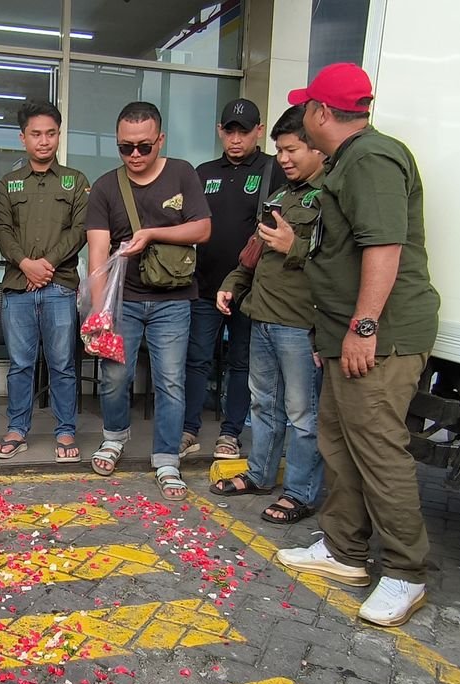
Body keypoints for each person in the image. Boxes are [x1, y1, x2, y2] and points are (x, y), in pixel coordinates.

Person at [273, 63, 441, 627]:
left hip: (382, 339)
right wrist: (336, 330)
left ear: (321, 114)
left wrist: (363, 326)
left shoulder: (370, 159)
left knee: (377, 450)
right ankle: (344, 549)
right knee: (338, 441)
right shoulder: (347, 163)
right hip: (344, 334)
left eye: (305, 111)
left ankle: (405, 572)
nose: (301, 121)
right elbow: (337, 253)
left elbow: (384, 247)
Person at [84, 101, 210, 500]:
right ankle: (114, 437)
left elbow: (203, 228)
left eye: (144, 146)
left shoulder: (182, 173)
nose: (135, 155)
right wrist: (100, 313)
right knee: (114, 377)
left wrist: (153, 233)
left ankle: (167, 458)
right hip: (125, 301)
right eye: (125, 148)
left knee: (170, 381)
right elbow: (98, 255)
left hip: (174, 301)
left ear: (160, 140)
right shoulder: (105, 186)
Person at [212, 105, 325, 524]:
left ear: (317, 147)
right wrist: (232, 283)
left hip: (301, 325)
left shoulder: (332, 196)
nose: (284, 159)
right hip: (262, 316)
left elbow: (340, 264)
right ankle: (260, 474)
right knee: (263, 405)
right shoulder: (279, 195)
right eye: (279, 151)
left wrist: (294, 246)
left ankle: (300, 493)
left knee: (301, 415)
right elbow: (253, 253)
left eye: (292, 149)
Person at [183, 98, 285, 462]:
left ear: (259, 130)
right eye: (230, 130)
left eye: (245, 130)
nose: (237, 138)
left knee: (242, 362)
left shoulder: (275, 170)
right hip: (205, 286)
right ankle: (188, 429)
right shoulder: (203, 172)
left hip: (250, 289)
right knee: (196, 359)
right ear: (220, 132)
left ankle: (231, 433)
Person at [0, 100, 89, 463]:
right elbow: (1, 229)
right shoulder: (8, 184)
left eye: (50, 133)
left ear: (59, 135)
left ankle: (65, 430)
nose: (43, 141)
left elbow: (79, 230)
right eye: (36, 134)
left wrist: (45, 264)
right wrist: (26, 264)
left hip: (59, 286)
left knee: (62, 363)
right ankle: (17, 428)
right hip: (18, 288)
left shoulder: (76, 181)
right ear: (23, 138)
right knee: (20, 364)